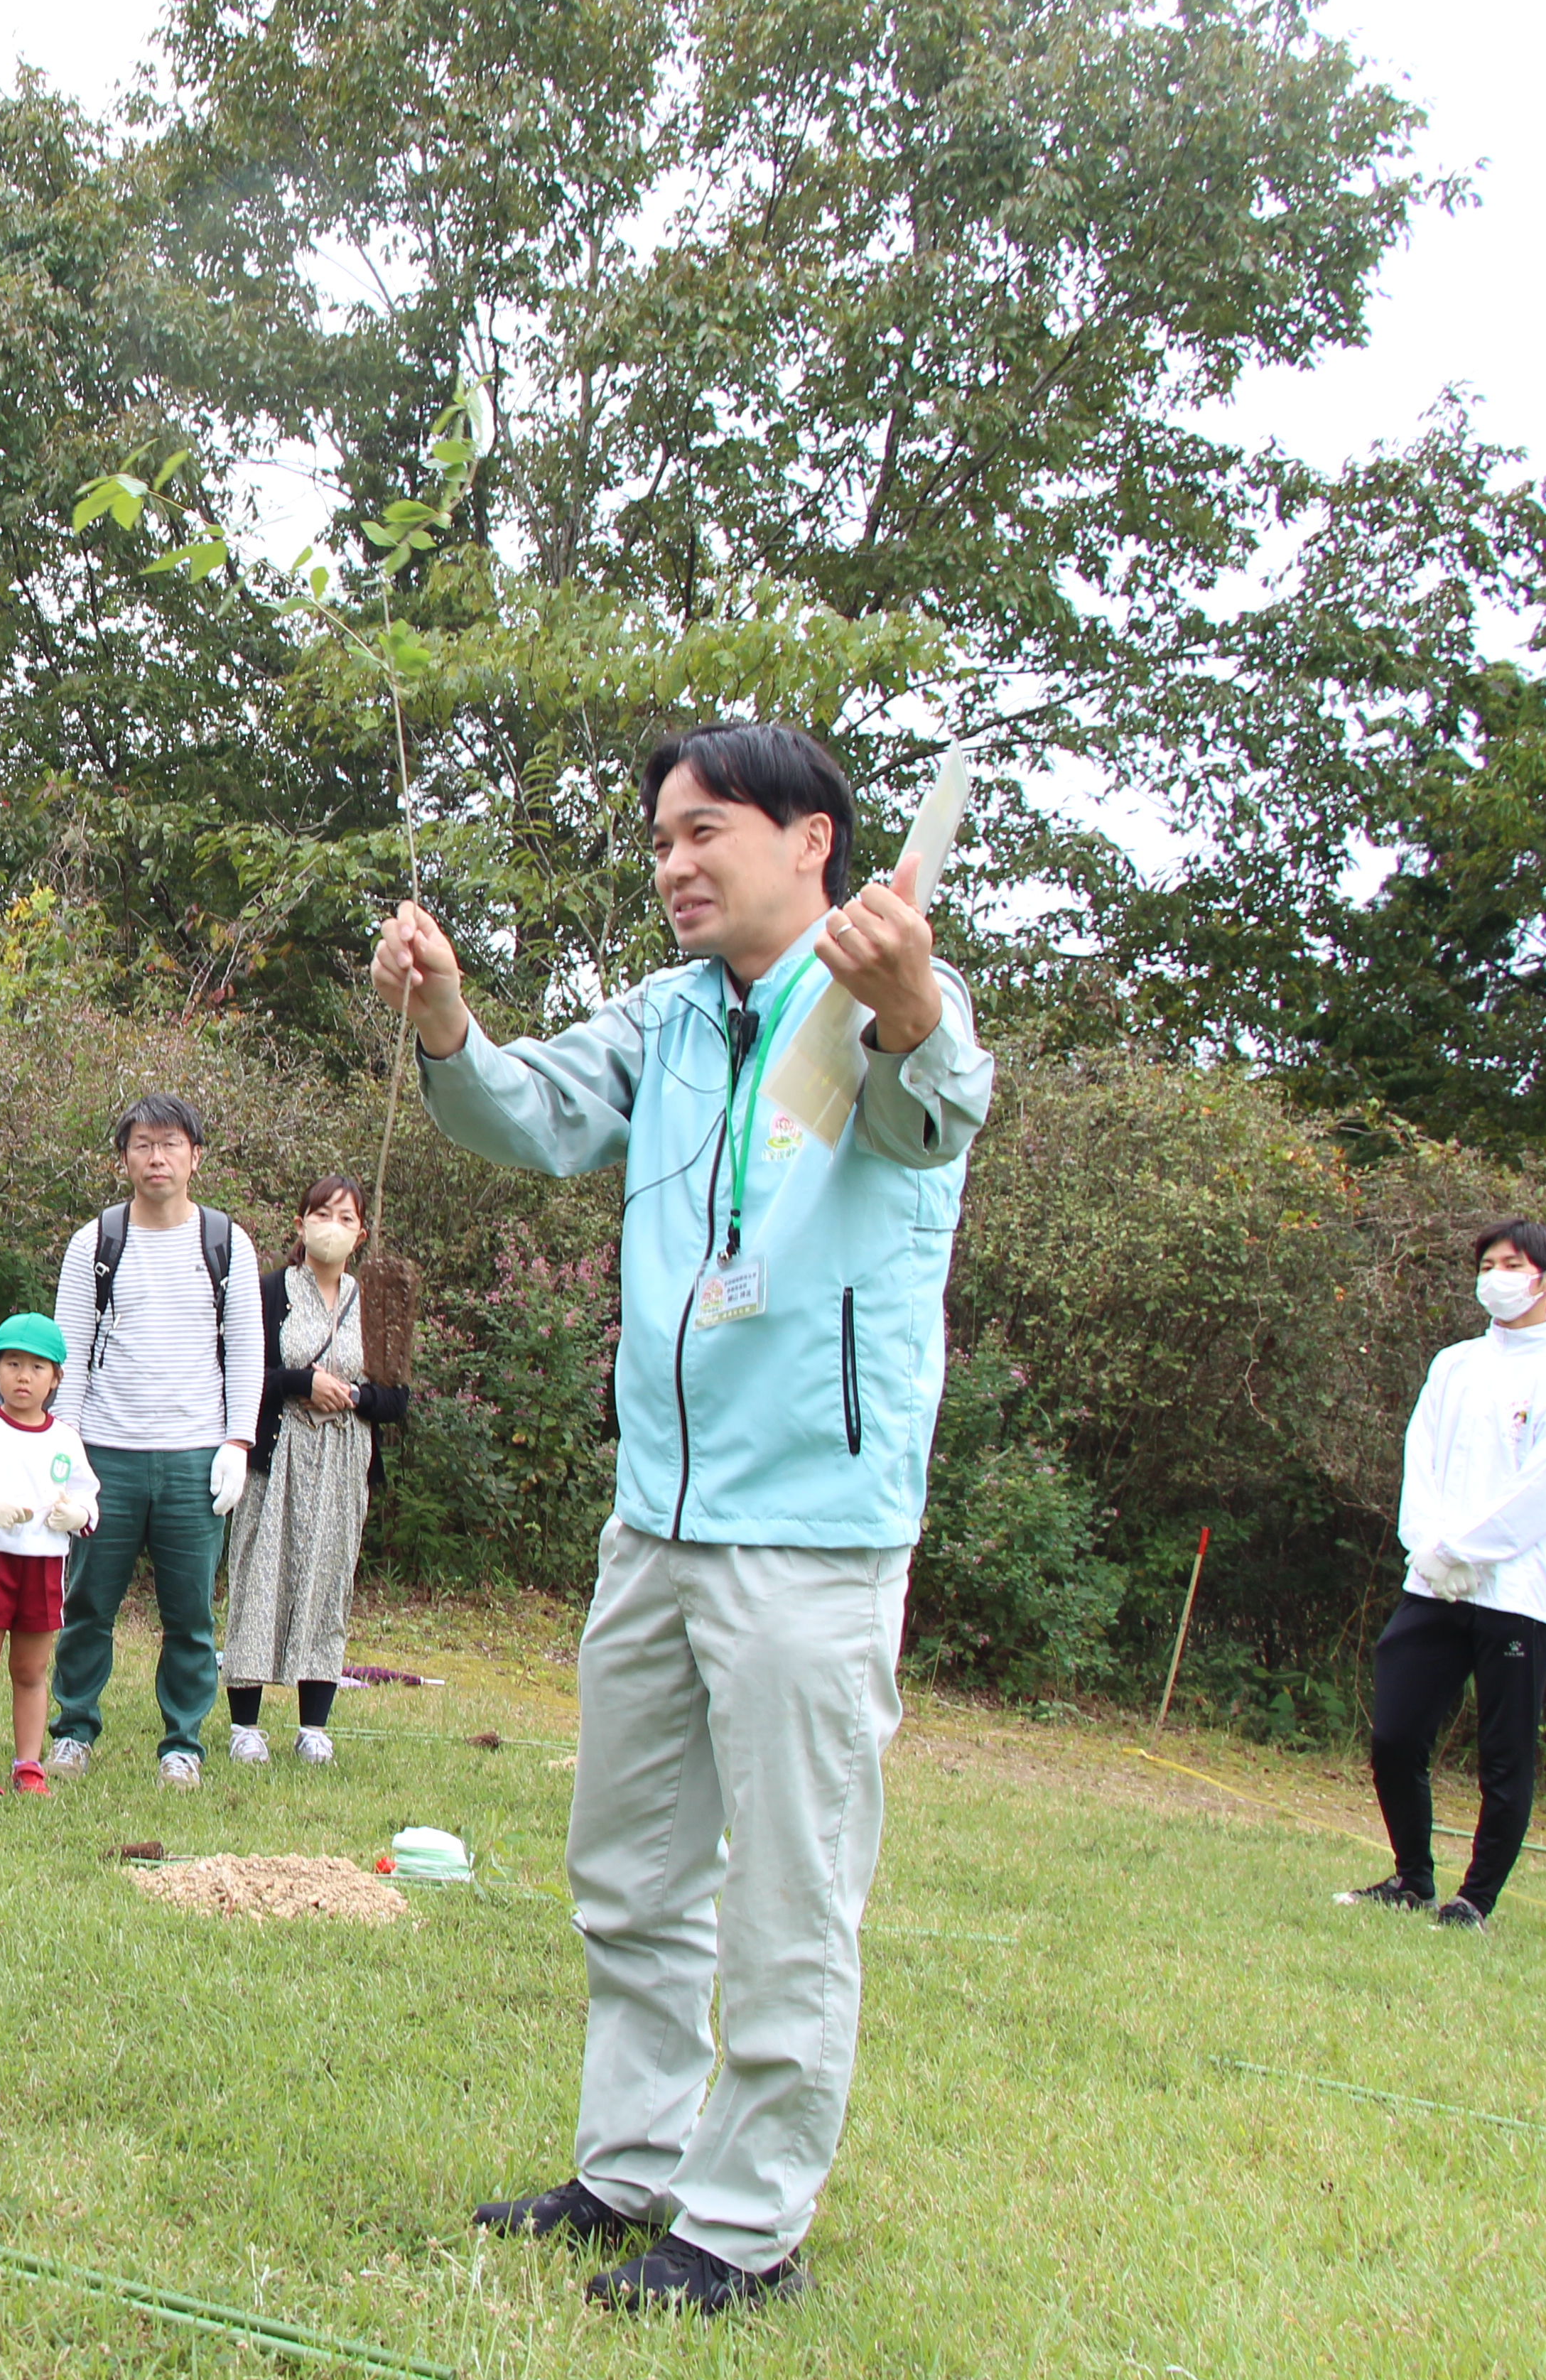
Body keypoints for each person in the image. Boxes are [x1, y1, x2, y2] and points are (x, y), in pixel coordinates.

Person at [373, 718, 993, 2315]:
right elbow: (529, 1116)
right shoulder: (663, 1020)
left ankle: (745, 2226)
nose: (673, 864)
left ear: (813, 843)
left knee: (790, 1894)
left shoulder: (888, 1001)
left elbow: (935, 1115)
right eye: (661, 838)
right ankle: (633, 2168)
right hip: (655, 1520)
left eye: (705, 831)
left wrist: (908, 1002)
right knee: (633, 1875)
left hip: (815, 1535)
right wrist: (447, 1021)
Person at [1343, 1220, 1546, 1930]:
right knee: (1396, 1734)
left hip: (1514, 1593)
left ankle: (1475, 1900)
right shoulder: (1455, 1363)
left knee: (1503, 1754)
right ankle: (1411, 1878)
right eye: (1488, 1263)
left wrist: (1468, 1551)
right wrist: (1427, 1547)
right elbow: (1421, 1458)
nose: (1496, 1274)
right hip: (1433, 1582)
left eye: (1511, 1263)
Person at [49, 1095, 264, 1787]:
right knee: (87, 1606)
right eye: (143, 1145)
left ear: (195, 1155)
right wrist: (66, 1449)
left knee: (190, 1615)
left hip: (194, 1457)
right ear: (124, 1159)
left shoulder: (226, 1242)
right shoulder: (97, 1241)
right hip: (105, 1452)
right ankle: (73, 1731)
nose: (157, 1158)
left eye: (171, 1144)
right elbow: (69, 1349)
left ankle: (182, 1743)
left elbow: (248, 1352)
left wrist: (238, 1442)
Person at [221, 1177, 415, 1765]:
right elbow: (244, 1376)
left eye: (345, 1216)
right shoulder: (270, 1292)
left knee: (327, 1584)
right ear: (301, 1221)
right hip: (278, 1459)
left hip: (343, 1463)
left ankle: (313, 1725)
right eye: (322, 1213)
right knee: (259, 1577)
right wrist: (304, 1383)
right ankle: (245, 1727)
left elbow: (397, 1400)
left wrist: (352, 1396)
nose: (332, 1224)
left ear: (361, 1232)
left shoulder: (374, 1302)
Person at [0, 1314, 99, 1796]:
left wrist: (78, 1515)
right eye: (12, 1364)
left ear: (56, 1378)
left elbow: (89, 1499)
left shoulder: (66, 1439)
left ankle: (29, 1764)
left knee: (31, 1671)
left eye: (36, 1367)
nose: (23, 1377)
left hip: (45, 1567)